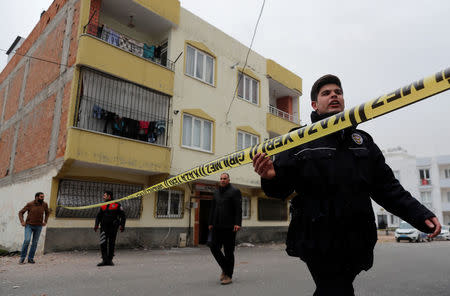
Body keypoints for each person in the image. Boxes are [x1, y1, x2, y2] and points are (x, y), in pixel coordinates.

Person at [252, 74, 441, 295]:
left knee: (336, 289)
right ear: (315, 104)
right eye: (326, 93)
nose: (334, 95)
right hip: (317, 239)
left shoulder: (363, 142)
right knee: (335, 288)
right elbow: (280, 189)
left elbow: (387, 188)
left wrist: (419, 214)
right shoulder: (298, 139)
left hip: (356, 239)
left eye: (338, 92)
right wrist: (270, 176)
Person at [208, 173, 242, 285]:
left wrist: (237, 223)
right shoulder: (216, 192)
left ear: (228, 180)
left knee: (228, 251)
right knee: (213, 246)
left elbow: (238, 208)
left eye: (224, 179)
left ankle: (228, 275)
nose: (222, 180)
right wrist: (210, 222)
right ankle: (224, 267)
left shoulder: (234, 191)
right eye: (221, 179)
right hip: (217, 225)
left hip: (229, 226)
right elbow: (213, 208)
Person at [94, 190, 126, 266]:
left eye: (105, 195)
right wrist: (96, 225)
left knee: (112, 243)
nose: (103, 197)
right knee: (103, 243)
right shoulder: (103, 205)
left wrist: (122, 225)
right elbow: (98, 217)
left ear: (109, 196)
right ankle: (104, 260)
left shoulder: (117, 205)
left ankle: (110, 260)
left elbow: (123, 216)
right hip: (104, 228)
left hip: (113, 227)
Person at [18, 192, 49, 264]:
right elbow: (20, 212)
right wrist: (22, 221)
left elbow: (47, 213)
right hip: (29, 225)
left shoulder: (45, 204)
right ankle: (22, 258)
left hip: (39, 226)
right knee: (27, 240)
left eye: (43, 197)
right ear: (36, 197)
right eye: (41, 197)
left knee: (35, 243)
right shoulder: (30, 204)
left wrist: (45, 221)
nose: (43, 198)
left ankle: (30, 258)